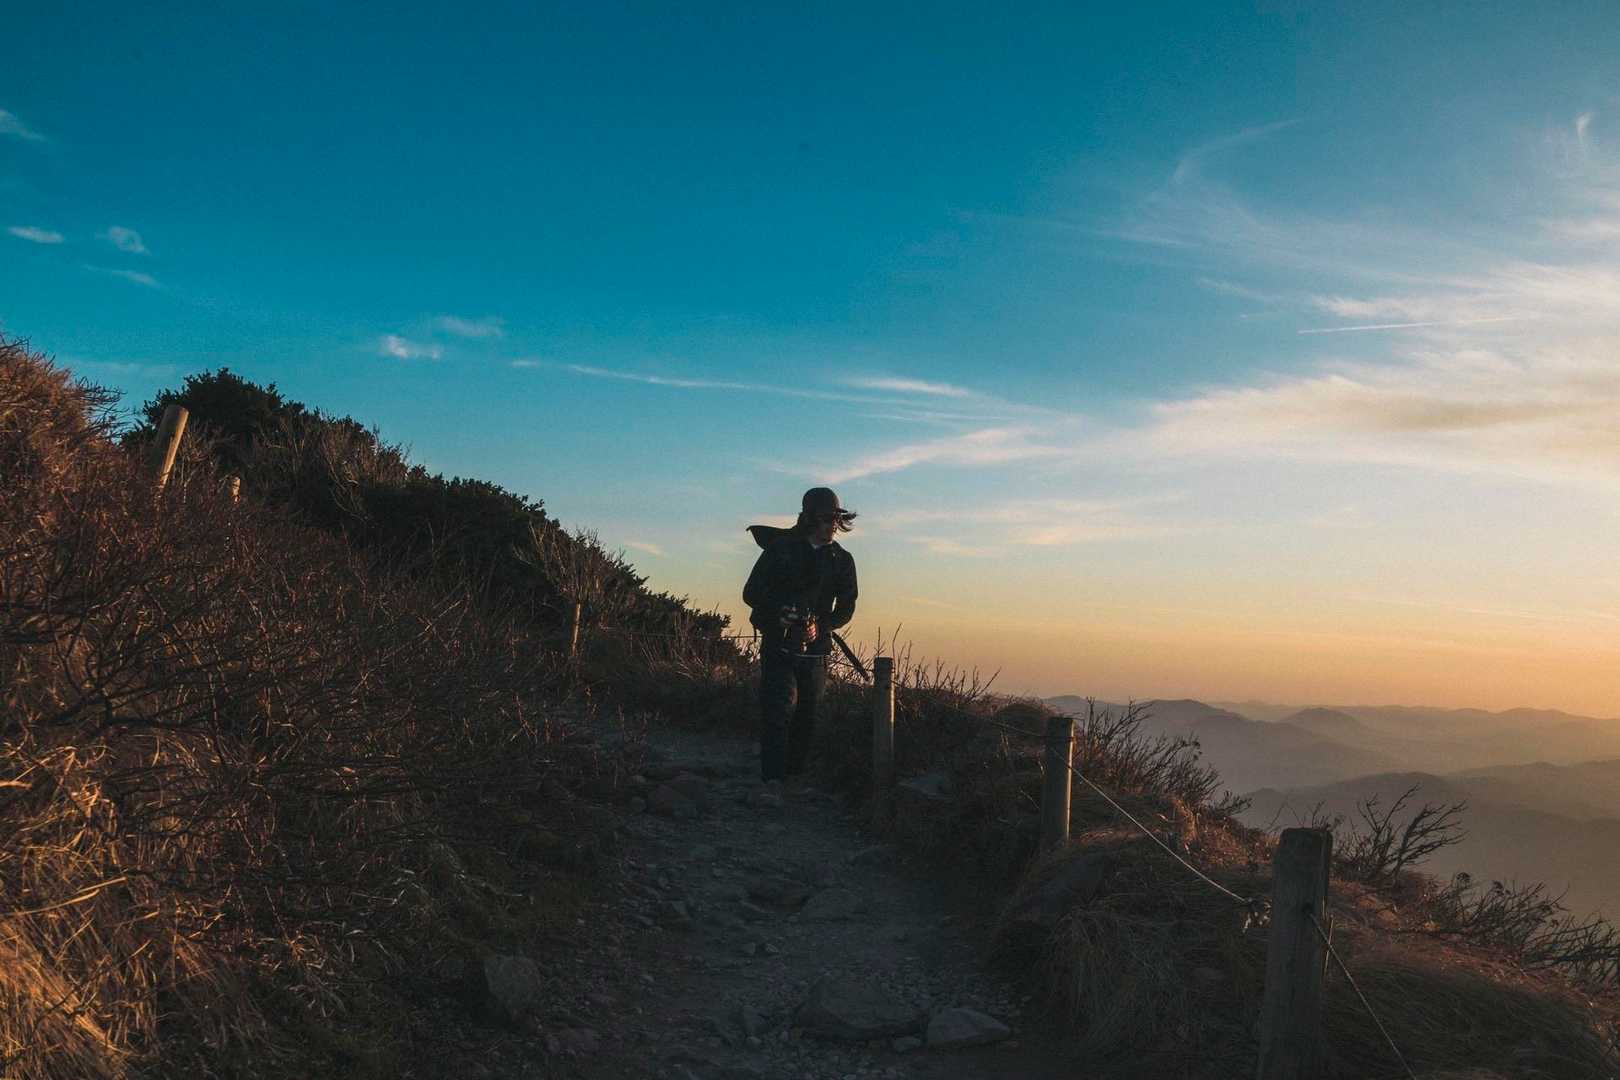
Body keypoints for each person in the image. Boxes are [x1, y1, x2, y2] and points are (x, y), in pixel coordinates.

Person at [743, 487, 858, 784]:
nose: (833, 525)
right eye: (826, 519)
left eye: (836, 519)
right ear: (809, 518)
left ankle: (794, 777)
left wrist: (821, 625)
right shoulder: (780, 549)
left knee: (809, 715)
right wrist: (778, 613)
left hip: (817, 651)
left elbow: (846, 609)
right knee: (777, 710)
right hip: (778, 642)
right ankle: (772, 778)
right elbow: (751, 593)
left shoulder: (842, 560)